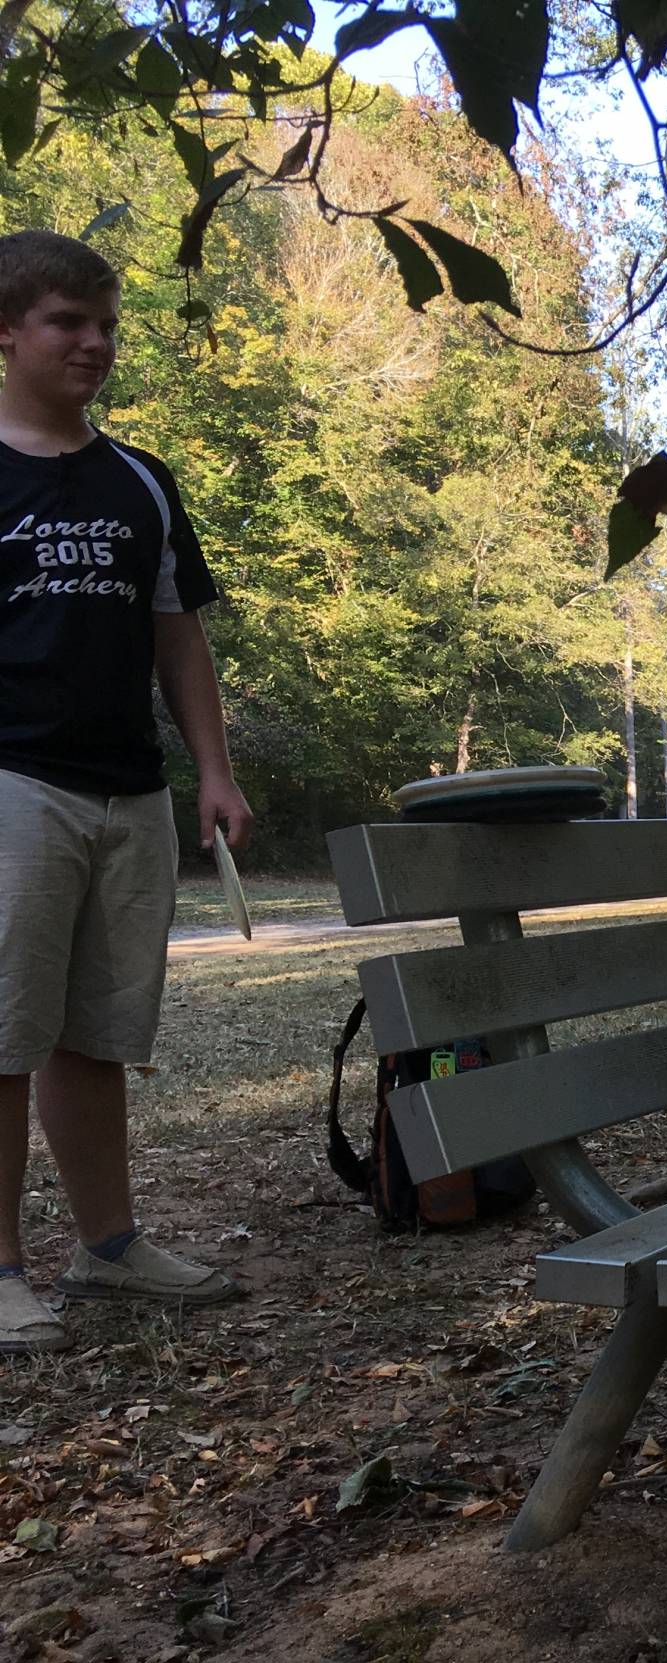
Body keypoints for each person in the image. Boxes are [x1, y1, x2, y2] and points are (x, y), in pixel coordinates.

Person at [0, 231, 253, 1357]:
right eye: (68, 322)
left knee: (97, 1035)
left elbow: (179, 639)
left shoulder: (142, 480)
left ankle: (108, 1250)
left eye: (106, 324)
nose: (95, 343)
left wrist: (213, 769)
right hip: (13, 784)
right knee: (3, 1035)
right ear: (6, 334)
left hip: (129, 792)